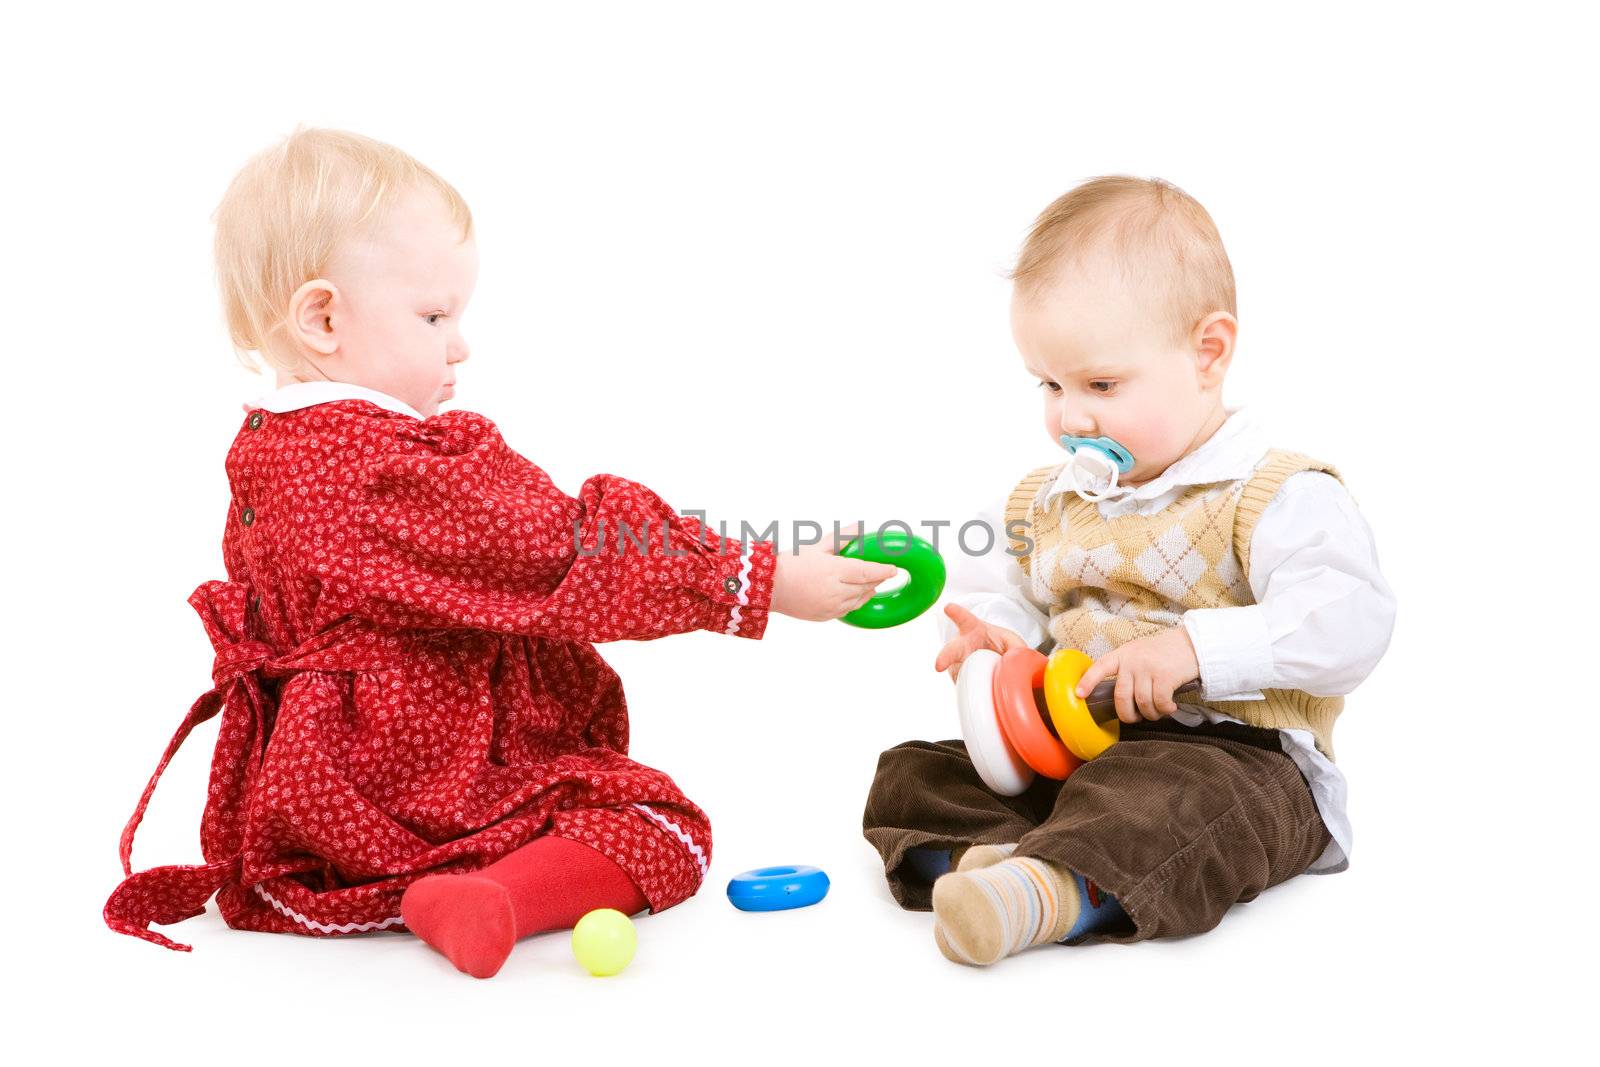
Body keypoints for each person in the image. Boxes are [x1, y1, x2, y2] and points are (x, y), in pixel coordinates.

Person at [103, 126, 896, 979]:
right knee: (659, 824)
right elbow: (567, 551)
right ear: (324, 317)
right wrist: (764, 579)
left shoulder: (270, 449)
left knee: (592, 806)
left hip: (319, 793)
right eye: (435, 315)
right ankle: (498, 897)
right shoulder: (397, 467)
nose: (459, 344)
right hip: (430, 774)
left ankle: (412, 881)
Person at [861, 175, 1397, 966]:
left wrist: (1192, 652)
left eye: (1101, 385)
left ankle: (1046, 893)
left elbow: (1351, 623)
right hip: (1079, 753)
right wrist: (994, 641)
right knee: (909, 775)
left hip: (1238, 762)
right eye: (1050, 384)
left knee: (1170, 803)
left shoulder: (1274, 493)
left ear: (1207, 352)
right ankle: (1000, 865)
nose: (1071, 417)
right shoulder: (1047, 502)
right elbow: (1003, 596)